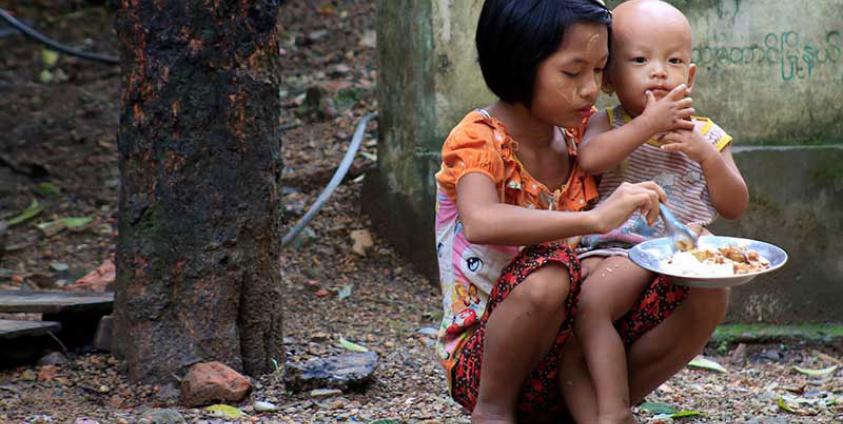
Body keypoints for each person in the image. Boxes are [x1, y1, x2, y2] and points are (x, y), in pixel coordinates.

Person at [434, 0, 733, 423]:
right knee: (551, 272)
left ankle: (604, 409)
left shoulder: (584, 132)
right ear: (519, 63)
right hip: (484, 363)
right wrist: (594, 219)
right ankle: (494, 412)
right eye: (573, 73)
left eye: (599, 71)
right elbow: (481, 221)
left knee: (705, 284)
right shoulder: (480, 139)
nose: (591, 88)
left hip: (568, 358)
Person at [571, 1, 749, 422]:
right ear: (610, 78)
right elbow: (590, 159)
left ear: (689, 76)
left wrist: (707, 156)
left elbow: (735, 205)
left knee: (705, 297)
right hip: (621, 245)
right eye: (639, 59)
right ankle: (613, 409)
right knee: (592, 304)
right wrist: (647, 125)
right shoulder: (608, 122)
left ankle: (617, 400)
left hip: (683, 248)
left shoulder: (706, 134)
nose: (658, 71)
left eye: (673, 60)